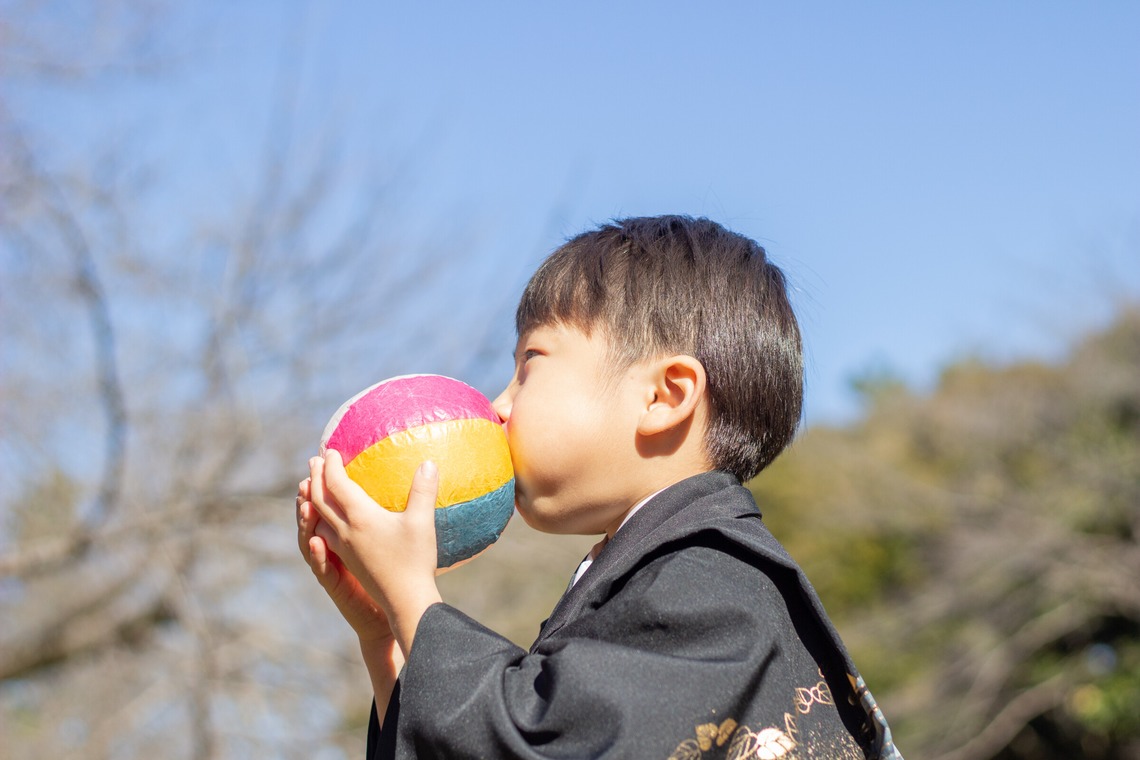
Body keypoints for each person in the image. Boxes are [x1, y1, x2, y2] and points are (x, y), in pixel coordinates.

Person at [296, 215, 902, 759]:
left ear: (663, 396)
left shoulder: (709, 587)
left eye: (529, 363)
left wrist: (412, 598)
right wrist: (386, 636)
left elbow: (548, 744)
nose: (499, 406)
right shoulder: (665, 574)